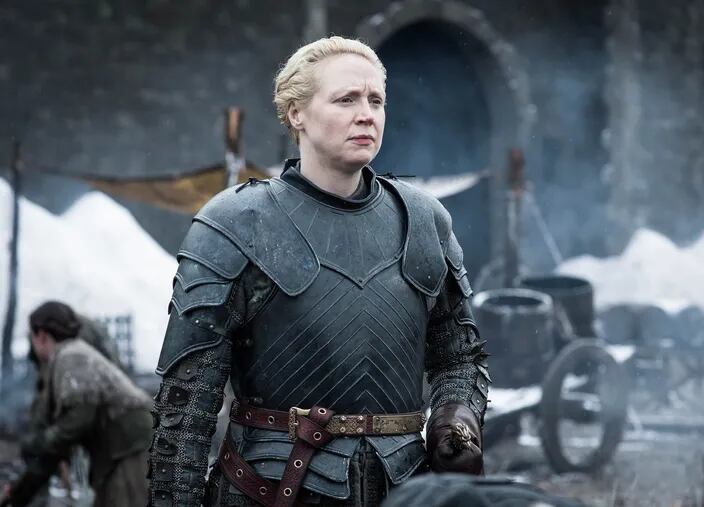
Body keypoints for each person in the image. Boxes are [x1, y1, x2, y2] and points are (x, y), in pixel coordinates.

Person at [148, 36, 490, 507]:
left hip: (403, 491)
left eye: (375, 100)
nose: (366, 114)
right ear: (296, 114)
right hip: (268, 492)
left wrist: (456, 419)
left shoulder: (425, 220)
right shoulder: (237, 222)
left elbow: (458, 358)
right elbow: (187, 403)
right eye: (346, 99)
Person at [0, 301, 153, 507]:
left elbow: (77, 420)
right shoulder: (69, 356)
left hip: (128, 449)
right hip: (119, 450)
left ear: (41, 335)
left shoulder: (72, 357)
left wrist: (40, 442)